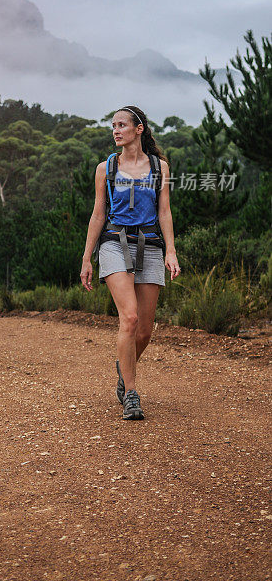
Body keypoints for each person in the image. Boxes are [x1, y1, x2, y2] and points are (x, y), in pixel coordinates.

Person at [80, 105, 181, 420]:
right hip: (114, 242)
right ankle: (132, 395)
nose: (115, 130)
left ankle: (124, 364)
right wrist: (87, 257)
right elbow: (98, 213)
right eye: (113, 126)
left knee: (145, 331)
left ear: (139, 129)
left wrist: (171, 250)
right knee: (130, 318)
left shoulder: (159, 167)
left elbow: (164, 211)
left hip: (150, 244)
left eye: (122, 125)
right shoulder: (105, 168)